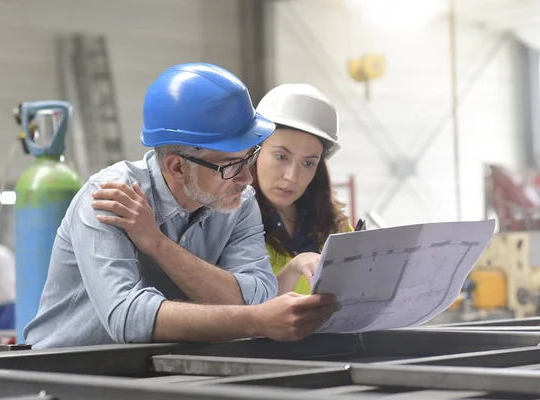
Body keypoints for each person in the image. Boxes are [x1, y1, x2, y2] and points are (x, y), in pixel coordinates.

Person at [24, 63, 339, 349]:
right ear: (176, 167)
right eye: (231, 165)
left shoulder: (238, 202)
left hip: (161, 372)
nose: (246, 178)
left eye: (250, 158)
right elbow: (128, 317)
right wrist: (257, 320)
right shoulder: (112, 196)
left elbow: (257, 295)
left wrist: (159, 245)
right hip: (65, 373)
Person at [251, 83, 353, 295]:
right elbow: (238, 308)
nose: (291, 177)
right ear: (255, 150)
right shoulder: (229, 225)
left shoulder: (334, 225)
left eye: (308, 163)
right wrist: (294, 267)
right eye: (281, 156)